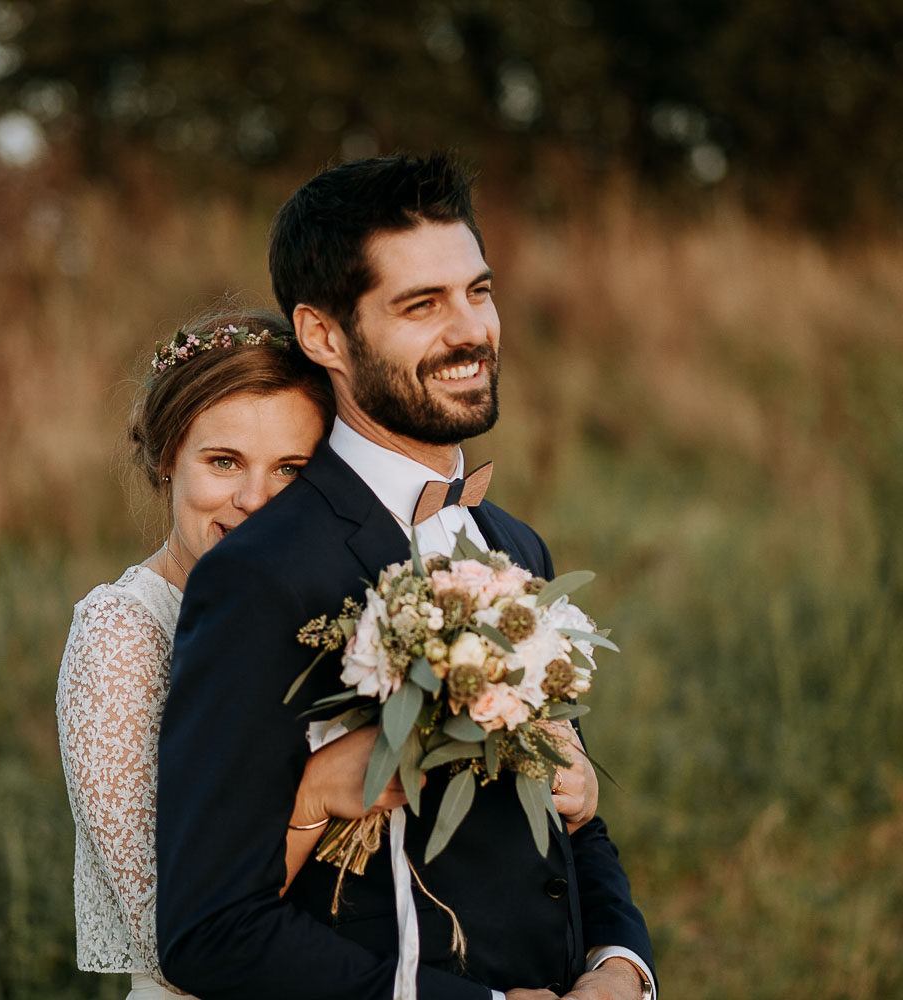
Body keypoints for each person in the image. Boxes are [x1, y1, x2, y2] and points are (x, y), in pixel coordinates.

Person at [155, 156, 654, 1000]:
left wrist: (620, 966)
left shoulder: (514, 544)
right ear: (323, 335)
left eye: (478, 291)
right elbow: (211, 929)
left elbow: (567, 805)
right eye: (421, 305)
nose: (470, 332)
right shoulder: (263, 576)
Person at [57, 311, 453, 1000]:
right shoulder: (122, 638)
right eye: (222, 462)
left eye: (291, 470)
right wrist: (315, 795)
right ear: (164, 460)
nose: (254, 502)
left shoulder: (345, 605)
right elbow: (171, 933)